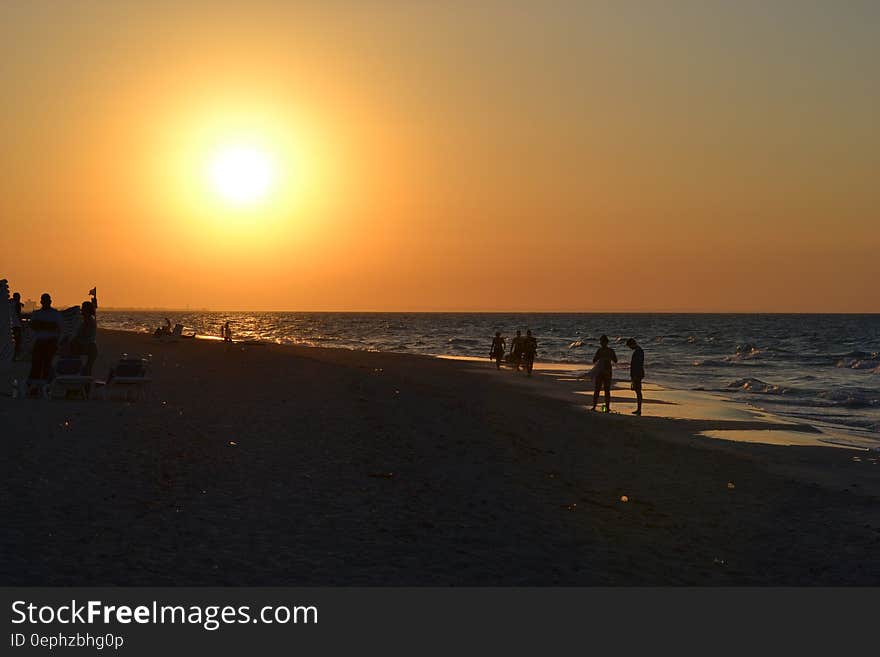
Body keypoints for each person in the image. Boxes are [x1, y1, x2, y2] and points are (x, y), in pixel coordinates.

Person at [28, 293, 63, 384]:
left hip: (51, 342)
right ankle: (34, 385)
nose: (45, 302)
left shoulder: (55, 313)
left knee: (47, 363)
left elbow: (58, 327)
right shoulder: (37, 314)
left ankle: (46, 385)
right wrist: (48, 325)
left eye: (47, 301)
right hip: (39, 341)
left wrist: (42, 325)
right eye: (44, 301)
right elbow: (33, 326)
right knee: (36, 364)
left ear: (50, 302)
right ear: (41, 302)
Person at [71, 288, 98, 375]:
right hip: (90, 347)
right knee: (86, 368)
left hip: (88, 347)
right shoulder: (87, 321)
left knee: (85, 368)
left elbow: (82, 336)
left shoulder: (88, 322)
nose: (81, 310)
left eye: (83, 308)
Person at [591, 334, 618, 412]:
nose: (601, 343)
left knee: (598, 389)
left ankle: (595, 406)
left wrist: (601, 358)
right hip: (607, 371)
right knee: (606, 390)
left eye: (601, 342)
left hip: (601, 371)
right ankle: (607, 407)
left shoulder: (599, 350)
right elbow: (615, 360)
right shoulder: (611, 351)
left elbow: (594, 360)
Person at [626, 338, 645, 415]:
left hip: (637, 373)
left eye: (630, 346)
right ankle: (638, 409)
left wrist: (635, 376)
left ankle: (639, 409)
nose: (630, 348)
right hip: (637, 373)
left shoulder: (639, 351)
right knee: (637, 391)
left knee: (638, 391)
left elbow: (637, 364)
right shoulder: (638, 351)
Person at [10, 292, 23, 359]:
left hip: (11, 325)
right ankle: (15, 356)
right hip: (17, 325)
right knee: (18, 341)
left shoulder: (11, 303)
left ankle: (13, 355)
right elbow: (18, 315)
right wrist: (21, 323)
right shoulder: (17, 304)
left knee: (13, 341)